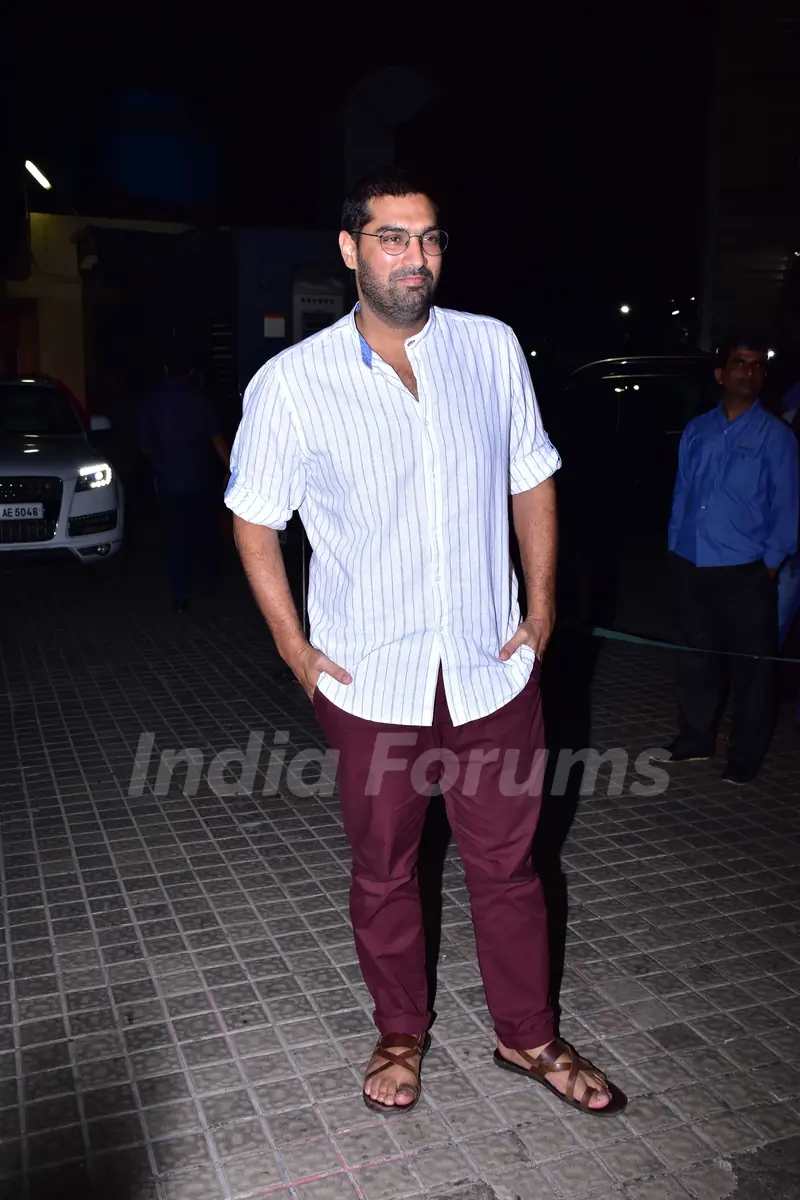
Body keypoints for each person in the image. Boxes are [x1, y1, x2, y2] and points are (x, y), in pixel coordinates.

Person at [225, 167, 624, 1118]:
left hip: (491, 670)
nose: (417, 257)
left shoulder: (490, 349)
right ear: (350, 249)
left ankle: (527, 1033)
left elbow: (532, 476)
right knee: (385, 870)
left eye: (431, 238)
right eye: (394, 238)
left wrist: (542, 609)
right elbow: (253, 518)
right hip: (371, 681)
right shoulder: (292, 383)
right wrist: (294, 649)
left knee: (510, 867)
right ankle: (400, 1030)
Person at [665, 333, 799, 783]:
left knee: (751, 668)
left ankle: (744, 754)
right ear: (721, 374)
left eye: (757, 364)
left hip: (746, 568)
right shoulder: (697, 430)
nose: (749, 371)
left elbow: (788, 507)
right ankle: (695, 739)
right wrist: (675, 545)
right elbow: (683, 491)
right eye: (740, 362)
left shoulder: (776, 437)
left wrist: (770, 564)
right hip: (691, 561)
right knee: (695, 658)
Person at [138, 351, 230, 611]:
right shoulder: (201, 399)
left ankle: (181, 594)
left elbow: (145, 445)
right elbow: (215, 437)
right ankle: (208, 580)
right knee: (205, 531)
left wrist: (161, 456)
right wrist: (231, 468)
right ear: (190, 372)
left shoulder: (152, 401)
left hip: (169, 480)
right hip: (201, 478)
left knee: (175, 538)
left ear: (165, 369)